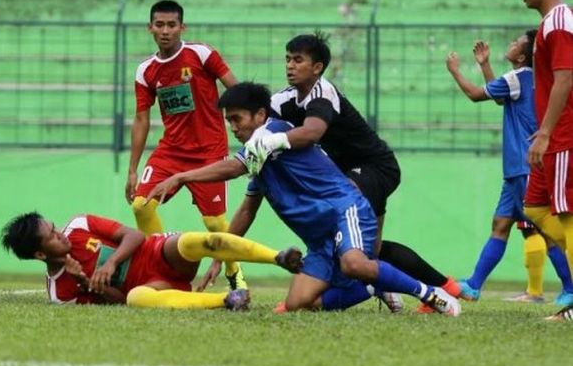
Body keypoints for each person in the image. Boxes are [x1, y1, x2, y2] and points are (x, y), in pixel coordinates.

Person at [146, 82, 461, 316]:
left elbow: (232, 167)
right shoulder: (260, 156)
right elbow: (246, 211)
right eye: (229, 121)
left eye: (237, 119)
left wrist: (182, 176)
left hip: (344, 209)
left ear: (259, 115)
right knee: (299, 304)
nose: (233, 128)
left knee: (354, 263)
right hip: (320, 238)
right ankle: (375, 285)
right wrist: (220, 257)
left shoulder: (270, 134)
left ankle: (430, 294)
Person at [242, 33, 460, 313]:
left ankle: (431, 291)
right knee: (373, 252)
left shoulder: (323, 93)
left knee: (344, 211)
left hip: (375, 167)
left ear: (317, 67)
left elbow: (312, 133)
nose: (290, 66)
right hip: (347, 172)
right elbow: (254, 110)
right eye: (287, 59)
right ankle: (426, 287)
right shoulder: (284, 99)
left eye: (298, 60)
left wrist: (272, 141)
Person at [125, 0, 246, 289]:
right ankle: (162, 267)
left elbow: (238, 90)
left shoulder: (201, 54)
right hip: (171, 152)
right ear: (150, 28)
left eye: (171, 25)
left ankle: (236, 278)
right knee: (141, 206)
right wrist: (133, 169)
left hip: (210, 152)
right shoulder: (146, 71)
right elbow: (141, 119)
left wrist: (243, 125)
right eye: (159, 25)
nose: (165, 30)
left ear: (182, 27)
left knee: (215, 224)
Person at [446, 32, 573, 305]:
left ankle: (569, 288)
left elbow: (476, 94)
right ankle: (474, 285)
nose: (512, 44)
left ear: (523, 56)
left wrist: (455, 71)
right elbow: (500, 96)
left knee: (543, 229)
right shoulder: (532, 80)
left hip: (523, 166)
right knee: (501, 224)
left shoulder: (518, 77)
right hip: (518, 169)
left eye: (516, 43)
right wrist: (484, 65)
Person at [0, 211, 302, 309]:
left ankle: (278, 257)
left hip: (158, 252)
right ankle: (227, 299)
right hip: (154, 286)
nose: (60, 234)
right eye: (52, 236)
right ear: (40, 254)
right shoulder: (61, 293)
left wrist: (111, 263)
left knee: (195, 241)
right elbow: (117, 302)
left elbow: (135, 236)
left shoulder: (79, 225)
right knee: (135, 298)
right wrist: (87, 282)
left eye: (53, 227)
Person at [515, 0, 573, 321]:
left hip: (563, 136)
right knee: (534, 207)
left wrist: (546, 133)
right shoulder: (550, 24)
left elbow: (566, 77)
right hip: (552, 136)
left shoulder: (560, 22)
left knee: (566, 215)